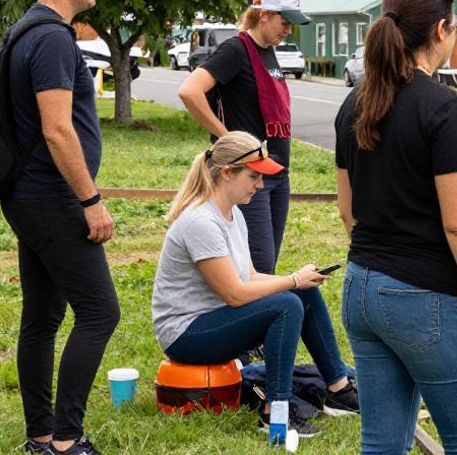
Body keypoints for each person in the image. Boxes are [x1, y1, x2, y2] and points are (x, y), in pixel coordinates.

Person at [336, 0, 457, 455]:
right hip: (426, 297)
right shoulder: (445, 109)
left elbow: (347, 209)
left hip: (361, 289)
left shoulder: (356, 102)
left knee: (382, 443)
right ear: (440, 31)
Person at [151, 131, 358, 439]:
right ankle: (275, 412)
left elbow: (247, 276)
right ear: (226, 173)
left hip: (213, 320)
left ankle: (339, 390)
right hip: (185, 335)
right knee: (287, 303)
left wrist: (299, 281)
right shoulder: (200, 222)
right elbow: (234, 294)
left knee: (302, 293)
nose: (260, 186)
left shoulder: (233, 214)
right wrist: (290, 281)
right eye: (254, 177)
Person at [4, 0, 123, 455]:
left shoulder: (22, 30)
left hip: (26, 195)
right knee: (100, 312)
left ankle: (40, 435)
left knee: (43, 318)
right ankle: (67, 440)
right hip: (52, 197)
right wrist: (90, 199)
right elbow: (57, 130)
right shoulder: (52, 37)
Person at [178, 0, 309, 275]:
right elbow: (190, 91)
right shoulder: (235, 50)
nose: (288, 30)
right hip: (247, 174)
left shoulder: (269, 52)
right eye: (284, 22)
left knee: (267, 265)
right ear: (263, 15)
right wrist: (228, 140)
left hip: (277, 174)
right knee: (257, 267)